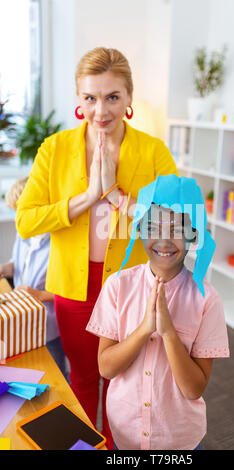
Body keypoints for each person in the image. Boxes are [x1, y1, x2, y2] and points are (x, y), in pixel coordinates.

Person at [15, 47, 179, 449]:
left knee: (123, 382)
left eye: (111, 97)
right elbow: (26, 220)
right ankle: (89, 445)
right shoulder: (54, 150)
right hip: (74, 287)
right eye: (89, 98)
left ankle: (117, 448)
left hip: (132, 289)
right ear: (78, 99)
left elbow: (177, 223)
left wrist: (118, 196)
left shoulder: (152, 150)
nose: (100, 110)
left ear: (128, 99)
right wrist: (88, 196)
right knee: (83, 378)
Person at [86, 175, 230, 450]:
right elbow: (106, 368)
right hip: (124, 434)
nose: (163, 241)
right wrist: (144, 329)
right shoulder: (117, 286)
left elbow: (193, 389)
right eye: (152, 227)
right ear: (139, 228)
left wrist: (168, 332)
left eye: (177, 229)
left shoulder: (207, 301)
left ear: (194, 234)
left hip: (179, 440)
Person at [0, 178, 66, 375]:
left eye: (20, 211)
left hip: (49, 325)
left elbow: (68, 293)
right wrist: (5, 268)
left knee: (56, 374)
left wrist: (36, 294)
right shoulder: (24, 235)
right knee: (31, 371)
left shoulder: (59, 241)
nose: (17, 218)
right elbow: (18, 264)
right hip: (24, 320)